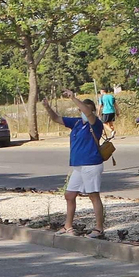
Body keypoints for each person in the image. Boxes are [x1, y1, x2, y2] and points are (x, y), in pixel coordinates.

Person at [42, 93, 109, 237]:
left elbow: (88, 113)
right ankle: (68, 226)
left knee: (93, 195)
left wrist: (73, 97)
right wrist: (47, 107)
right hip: (78, 165)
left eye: (87, 109)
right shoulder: (77, 123)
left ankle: (99, 228)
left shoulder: (95, 123)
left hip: (91, 164)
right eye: (82, 109)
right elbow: (56, 118)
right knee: (69, 195)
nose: (84, 112)